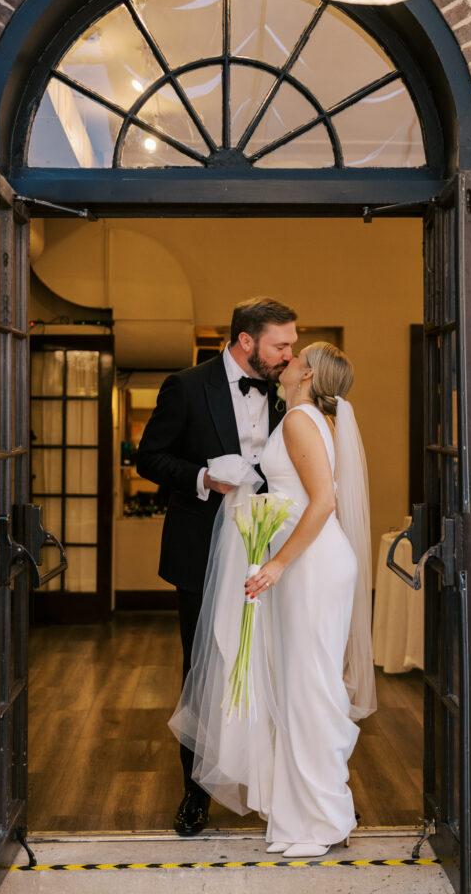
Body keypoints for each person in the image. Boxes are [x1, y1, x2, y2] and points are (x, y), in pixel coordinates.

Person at [170, 342, 376, 857]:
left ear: (308, 374)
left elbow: (323, 502)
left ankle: (324, 821)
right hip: (304, 564)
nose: (287, 359)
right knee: (299, 686)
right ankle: (303, 816)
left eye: (296, 355)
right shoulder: (302, 418)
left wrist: (277, 563)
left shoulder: (302, 421)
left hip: (310, 566)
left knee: (310, 688)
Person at [136, 297, 298, 836]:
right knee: (204, 669)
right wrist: (203, 479)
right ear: (246, 341)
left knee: (273, 664)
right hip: (202, 550)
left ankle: (280, 787)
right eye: (281, 345)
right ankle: (196, 794)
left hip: (269, 551)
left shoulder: (285, 390)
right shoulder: (186, 386)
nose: (289, 355)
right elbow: (150, 457)